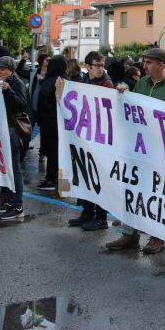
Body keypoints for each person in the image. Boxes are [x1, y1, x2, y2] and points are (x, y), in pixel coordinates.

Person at [105, 48, 165, 254]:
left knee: (157, 193)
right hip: (138, 148)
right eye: (144, 62)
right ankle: (129, 234)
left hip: (160, 150)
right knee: (132, 189)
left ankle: (157, 237)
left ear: (161, 64)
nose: (145, 66)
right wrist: (124, 95)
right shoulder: (141, 83)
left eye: (149, 62)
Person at [68, 51, 114, 231]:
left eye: (103, 65)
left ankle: (101, 217)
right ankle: (87, 212)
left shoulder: (107, 83)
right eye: (97, 65)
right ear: (88, 67)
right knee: (86, 175)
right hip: (86, 137)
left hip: (101, 139)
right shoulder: (83, 81)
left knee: (99, 177)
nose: (101, 69)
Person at [0, 55, 29, 221]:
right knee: (8, 168)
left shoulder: (16, 83)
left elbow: (21, 104)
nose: (0, 71)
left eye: (3, 69)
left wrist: (8, 90)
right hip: (4, 128)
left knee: (14, 168)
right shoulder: (0, 82)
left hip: (13, 129)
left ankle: (17, 205)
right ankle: (12, 201)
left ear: (11, 70)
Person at [37, 57, 68, 191]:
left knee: (52, 152)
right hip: (64, 122)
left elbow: (44, 100)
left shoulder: (51, 80)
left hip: (50, 122)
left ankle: (50, 179)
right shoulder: (68, 80)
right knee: (61, 152)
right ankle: (62, 182)